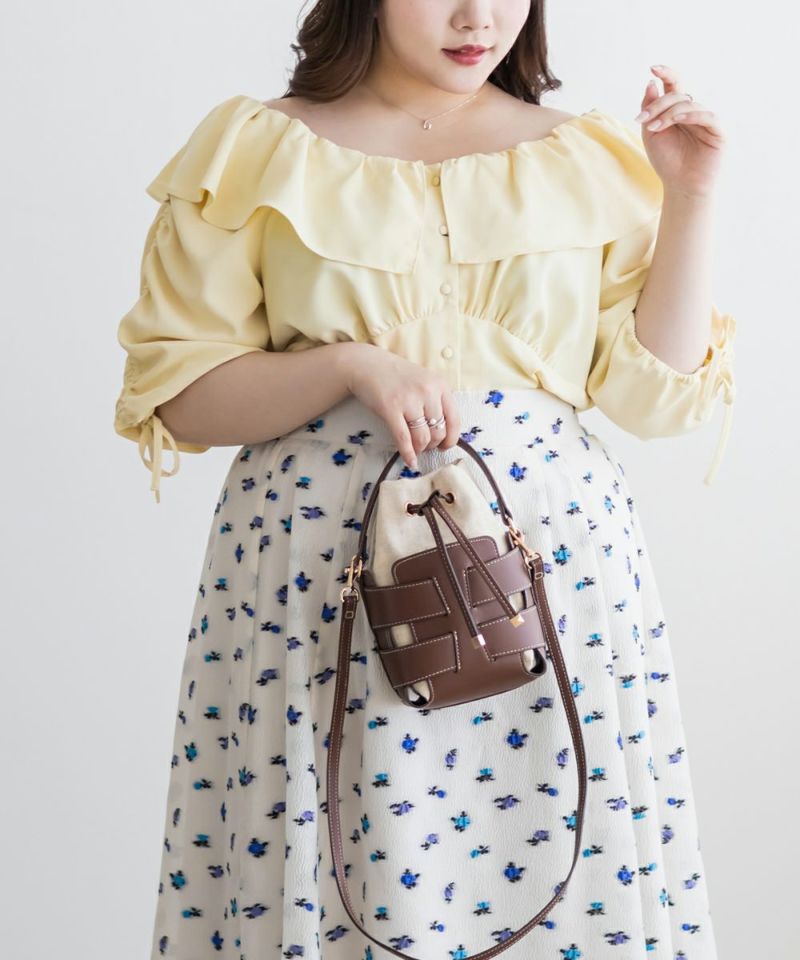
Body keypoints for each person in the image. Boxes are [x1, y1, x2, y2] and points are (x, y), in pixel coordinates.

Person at [113, 2, 736, 958]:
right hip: (317, 586)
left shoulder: (583, 155)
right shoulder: (258, 148)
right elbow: (184, 396)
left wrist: (689, 196)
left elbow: (656, 399)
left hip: (549, 575)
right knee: (331, 852)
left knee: (562, 856)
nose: (477, 16)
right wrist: (347, 367)